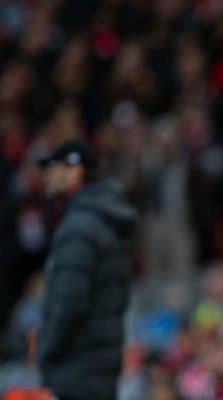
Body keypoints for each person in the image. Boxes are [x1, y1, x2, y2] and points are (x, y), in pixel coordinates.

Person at [36, 138, 137, 400]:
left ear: (75, 170)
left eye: (53, 167)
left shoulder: (79, 226)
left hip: (78, 367)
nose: (47, 175)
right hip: (99, 365)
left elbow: (70, 303)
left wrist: (46, 349)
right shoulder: (103, 219)